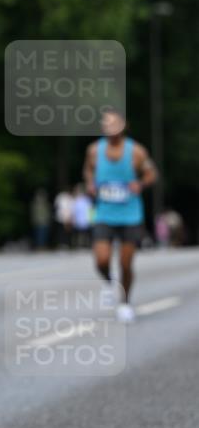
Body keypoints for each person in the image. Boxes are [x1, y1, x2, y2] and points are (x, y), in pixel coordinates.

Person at [83, 109, 157, 323]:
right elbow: (88, 170)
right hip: (104, 212)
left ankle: (124, 303)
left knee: (126, 263)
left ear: (123, 125)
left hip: (130, 214)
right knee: (102, 259)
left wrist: (141, 183)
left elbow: (151, 173)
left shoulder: (136, 152)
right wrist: (90, 183)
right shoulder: (95, 150)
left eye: (113, 123)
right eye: (105, 123)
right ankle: (108, 280)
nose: (109, 127)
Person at [71, 183, 92, 249]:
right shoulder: (77, 200)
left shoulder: (86, 200)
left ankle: (85, 245)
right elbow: (74, 211)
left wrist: (91, 219)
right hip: (80, 220)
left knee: (85, 234)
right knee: (80, 234)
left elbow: (90, 210)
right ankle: (80, 245)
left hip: (85, 220)